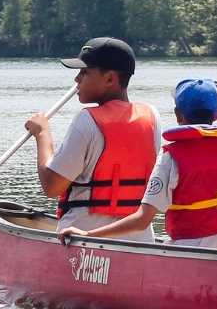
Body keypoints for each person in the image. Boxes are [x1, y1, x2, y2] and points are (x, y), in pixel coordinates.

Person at [62, 79, 217, 252]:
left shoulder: (171, 157)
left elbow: (142, 219)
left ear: (177, 115)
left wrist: (87, 234)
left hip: (190, 256)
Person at [26, 37, 159, 242]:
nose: (77, 79)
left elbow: (52, 186)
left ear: (110, 79)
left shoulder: (86, 120)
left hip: (81, 239)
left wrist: (42, 134)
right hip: (139, 241)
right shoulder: (152, 116)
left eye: (85, 72)